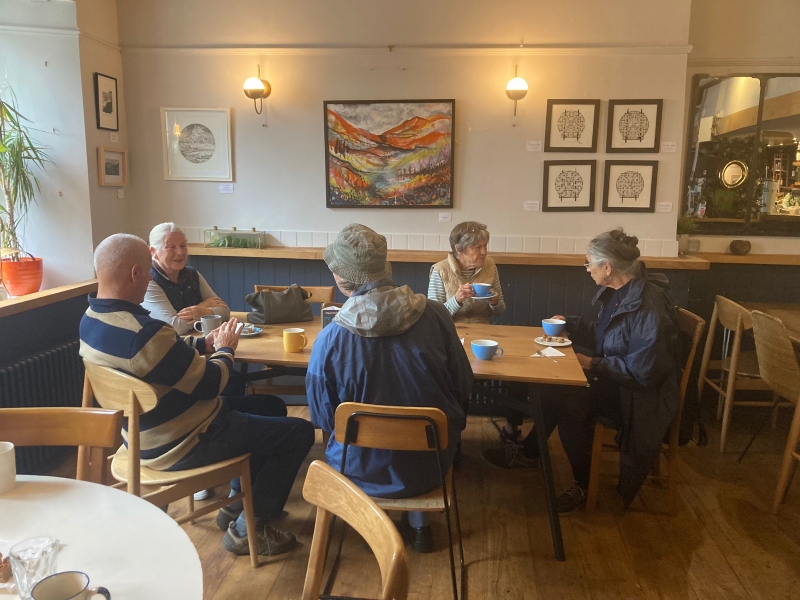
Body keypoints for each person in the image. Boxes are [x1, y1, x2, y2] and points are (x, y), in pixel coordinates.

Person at [80, 233, 315, 556]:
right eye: (148, 270)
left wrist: (204, 344)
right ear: (135, 273)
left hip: (142, 435)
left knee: (271, 405)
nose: (150, 276)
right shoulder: (144, 333)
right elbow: (211, 383)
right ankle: (250, 529)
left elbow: (162, 356)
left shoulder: (92, 320)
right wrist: (225, 350)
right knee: (299, 432)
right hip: (184, 440)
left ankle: (238, 502)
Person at [482, 229, 681, 515]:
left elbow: (643, 371)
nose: (587, 269)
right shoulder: (620, 293)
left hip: (639, 398)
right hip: (619, 379)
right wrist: (572, 323)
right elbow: (608, 338)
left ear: (608, 268)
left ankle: (584, 484)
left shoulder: (647, 307)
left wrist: (592, 363)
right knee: (552, 387)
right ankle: (530, 453)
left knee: (570, 403)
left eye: (589, 263)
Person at [307, 224, 473, 553]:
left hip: (357, 468)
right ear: (386, 269)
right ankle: (419, 526)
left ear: (341, 280)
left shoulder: (331, 338)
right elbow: (464, 386)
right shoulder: (437, 316)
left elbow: (323, 418)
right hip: (431, 465)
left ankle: (374, 525)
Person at [428, 221, 525, 446]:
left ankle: (512, 426)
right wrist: (457, 300)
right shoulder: (440, 270)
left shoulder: (491, 266)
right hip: (452, 337)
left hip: (485, 334)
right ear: (458, 250)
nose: (484, 252)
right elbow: (433, 317)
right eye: (477, 247)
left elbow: (500, 311)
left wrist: (494, 301)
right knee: (454, 378)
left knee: (518, 372)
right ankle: (454, 439)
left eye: (485, 246)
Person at [142, 222, 230, 335]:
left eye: (183, 246)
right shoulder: (149, 280)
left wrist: (203, 312)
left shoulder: (192, 274)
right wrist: (202, 308)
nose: (180, 252)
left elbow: (224, 311)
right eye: (171, 247)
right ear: (153, 252)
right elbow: (174, 326)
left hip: (199, 342)